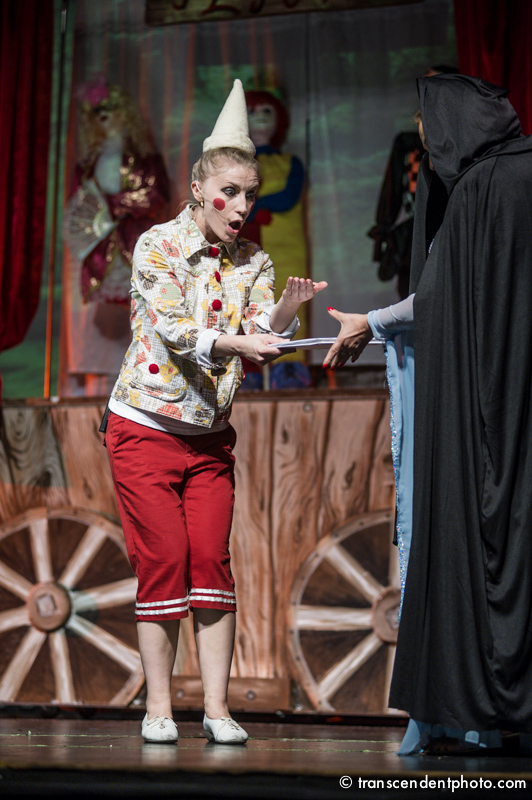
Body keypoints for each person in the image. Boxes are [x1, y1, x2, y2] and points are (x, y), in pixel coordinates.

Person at [103, 79, 326, 745]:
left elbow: (261, 331)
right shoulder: (158, 246)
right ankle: (159, 710)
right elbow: (175, 330)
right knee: (164, 559)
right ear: (200, 188)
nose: (242, 206)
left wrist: (285, 311)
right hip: (144, 429)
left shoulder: (254, 260)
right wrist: (240, 343)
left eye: (251, 194)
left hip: (209, 440)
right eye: (231, 191)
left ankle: (219, 711)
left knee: (211, 563)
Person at [324, 74, 532, 754]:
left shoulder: (479, 190)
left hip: (483, 411)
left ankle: (475, 707)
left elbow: (441, 298)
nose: (425, 142)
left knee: (473, 539)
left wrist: (371, 321)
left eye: (427, 128)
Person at [64, 78, 170, 396]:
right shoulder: (86, 166)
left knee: (142, 308)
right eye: (97, 111)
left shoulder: (146, 160)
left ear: (125, 113)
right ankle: (102, 388)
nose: (104, 116)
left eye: (110, 108)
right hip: (99, 251)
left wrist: (114, 205)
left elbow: (156, 195)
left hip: (135, 243)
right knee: (103, 320)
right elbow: (79, 206)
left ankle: (144, 381)